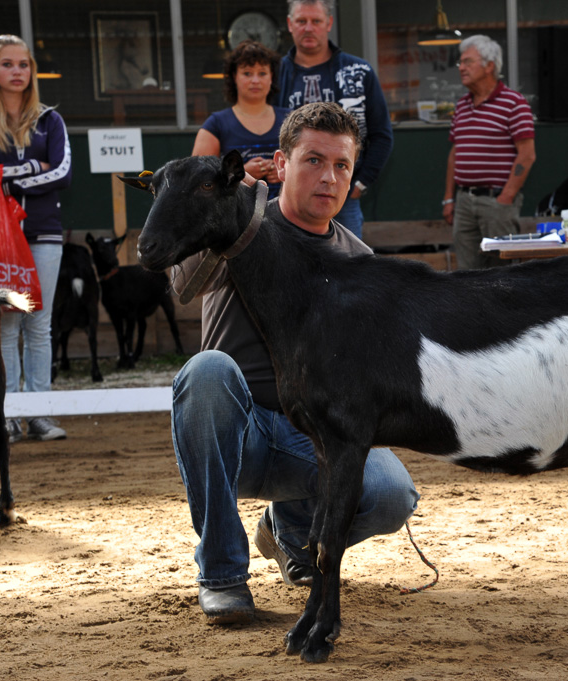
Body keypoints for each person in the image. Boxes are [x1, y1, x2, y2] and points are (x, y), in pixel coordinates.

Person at [170, 102, 419, 625]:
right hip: (235, 430)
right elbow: (182, 286)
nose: (329, 177)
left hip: (309, 441)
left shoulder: (360, 265)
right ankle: (222, 574)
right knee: (207, 370)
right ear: (281, 164)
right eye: (312, 161)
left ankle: (291, 528)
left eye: (342, 166)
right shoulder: (239, 222)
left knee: (393, 493)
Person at [0, 34, 72, 442]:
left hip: (43, 231)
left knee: (38, 324)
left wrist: (3, 173)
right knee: (3, 325)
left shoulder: (49, 119)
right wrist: (28, 169)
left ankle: (39, 414)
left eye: (24, 64)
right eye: (8, 64)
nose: (17, 72)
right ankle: (4, 414)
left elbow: (62, 172)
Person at [275, 0, 393, 239]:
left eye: (316, 21)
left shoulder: (359, 72)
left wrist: (359, 184)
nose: (308, 28)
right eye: (301, 21)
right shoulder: (274, 75)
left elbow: (382, 135)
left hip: (342, 198)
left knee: (348, 270)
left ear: (329, 23)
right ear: (290, 24)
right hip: (288, 197)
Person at [442, 34, 536, 270]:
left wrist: (505, 198)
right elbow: (455, 152)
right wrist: (449, 198)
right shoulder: (461, 105)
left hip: (496, 202)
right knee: (466, 275)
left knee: (502, 274)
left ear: (489, 66)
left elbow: (527, 154)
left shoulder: (514, 103)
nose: (461, 68)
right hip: (463, 202)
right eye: (460, 63)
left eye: (468, 62)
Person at [192, 41, 288, 197]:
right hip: (236, 218)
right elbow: (197, 178)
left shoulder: (290, 119)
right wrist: (239, 173)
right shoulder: (216, 124)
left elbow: (311, 167)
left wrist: (287, 171)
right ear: (234, 78)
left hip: (286, 217)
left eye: (262, 73)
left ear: (272, 77)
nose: (255, 80)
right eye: (247, 73)